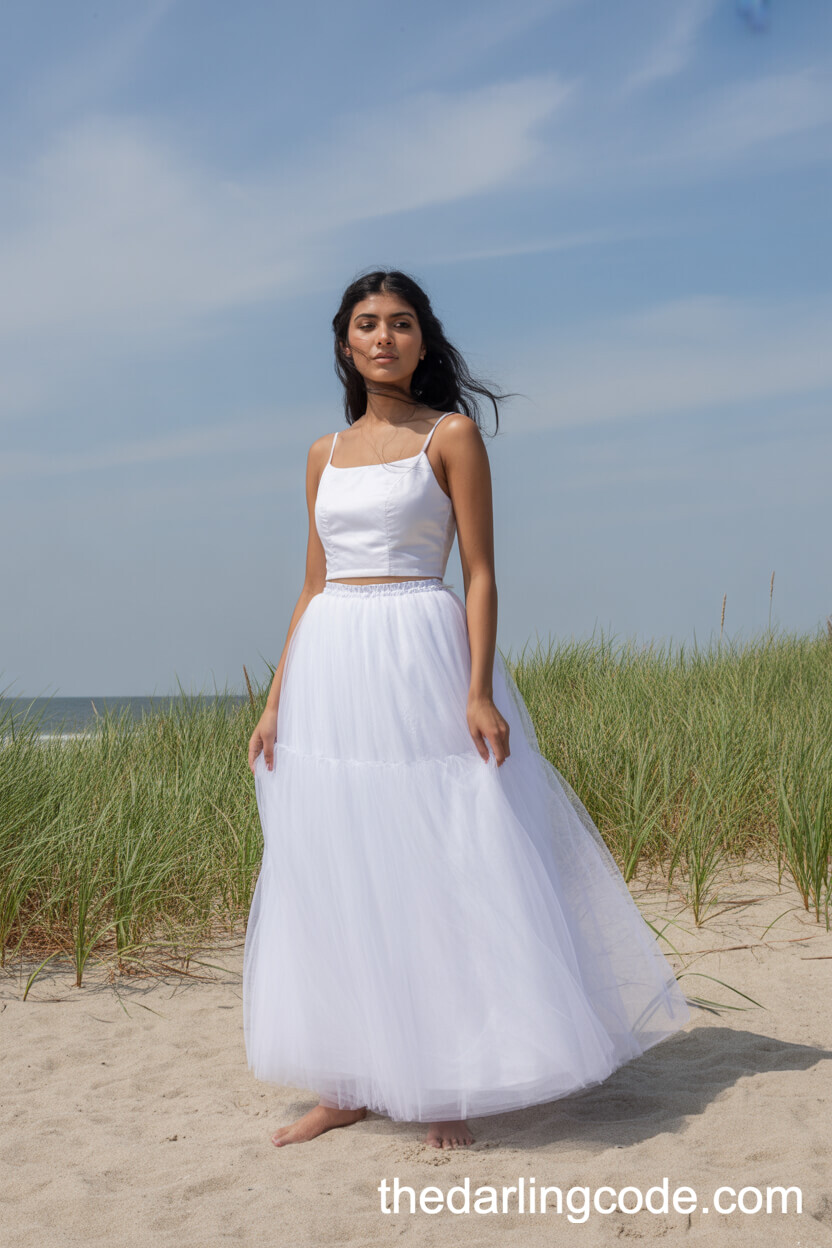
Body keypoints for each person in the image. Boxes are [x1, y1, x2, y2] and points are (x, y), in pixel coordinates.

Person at [243, 268, 690, 1151]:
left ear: (422, 339)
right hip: (333, 661)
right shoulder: (320, 455)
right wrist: (274, 702)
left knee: (434, 860)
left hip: (419, 647)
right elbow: (311, 584)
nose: (384, 338)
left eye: (401, 323)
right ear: (345, 342)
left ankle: (439, 1079)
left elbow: (480, 573)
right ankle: (346, 1082)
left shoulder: (451, 436)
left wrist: (477, 690)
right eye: (367, 324)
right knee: (336, 864)